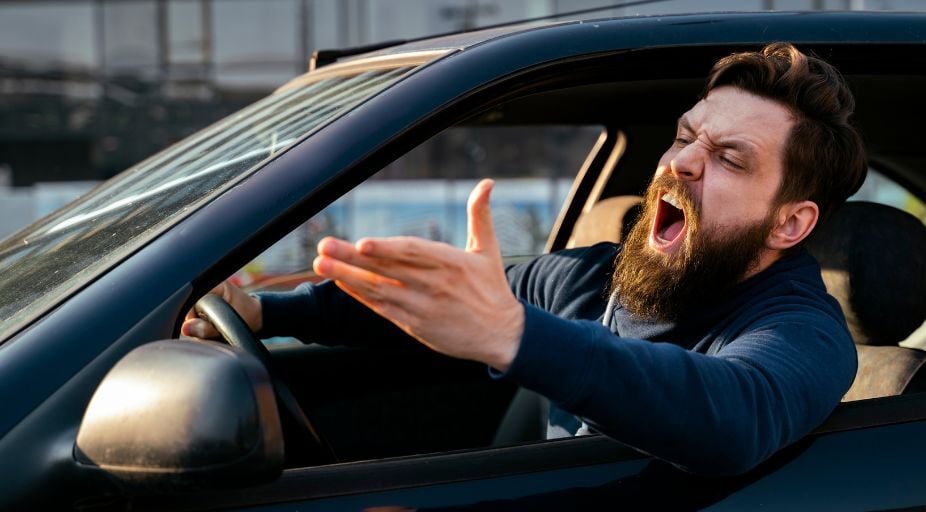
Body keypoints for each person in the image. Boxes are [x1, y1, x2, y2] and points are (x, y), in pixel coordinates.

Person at [183, 43, 867, 476]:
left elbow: (734, 419)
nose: (682, 162)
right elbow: (433, 301)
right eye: (686, 137)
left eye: (729, 159)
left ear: (790, 222)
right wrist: (269, 310)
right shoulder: (589, 277)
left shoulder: (805, 333)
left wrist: (512, 335)